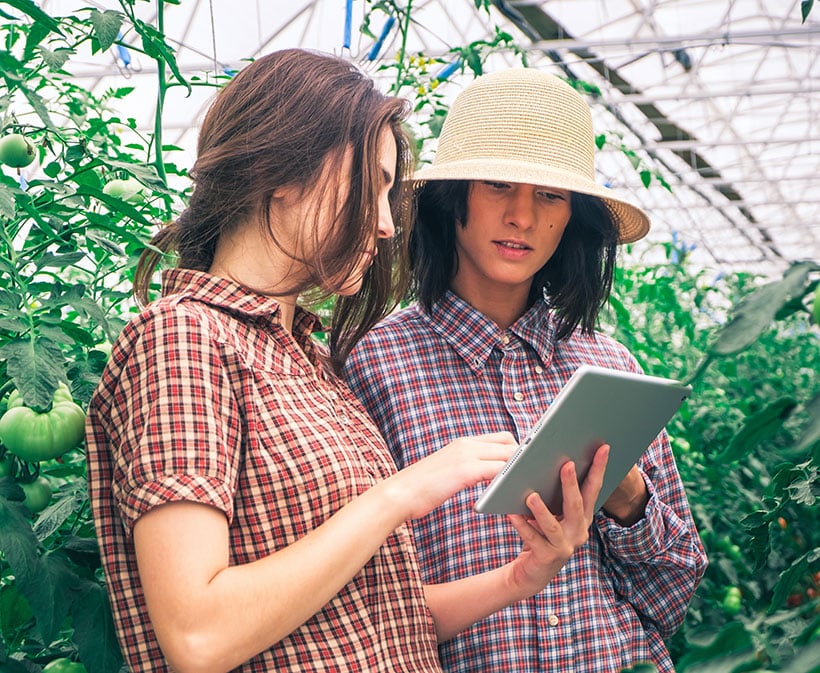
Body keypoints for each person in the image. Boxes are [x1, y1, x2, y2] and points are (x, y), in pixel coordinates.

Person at [84, 50, 610, 673]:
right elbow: (199, 637)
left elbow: (377, 621)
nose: (388, 224)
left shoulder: (308, 359)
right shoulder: (182, 339)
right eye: (375, 185)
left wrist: (521, 578)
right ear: (280, 171)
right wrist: (397, 496)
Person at [343, 67, 709, 673]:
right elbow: (364, 610)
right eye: (497, 185)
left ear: (573, 219)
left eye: (550, 195)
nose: (522, 216)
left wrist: (626, 497)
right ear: (449, 199)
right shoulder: (375, 367)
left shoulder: (607, 366)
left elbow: (673, 595)